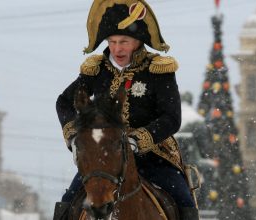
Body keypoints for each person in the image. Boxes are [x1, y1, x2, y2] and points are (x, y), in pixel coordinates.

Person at [54, 0, 199, 219]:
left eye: (124, 41)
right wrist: (75, 136)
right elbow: (64, 102)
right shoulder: (96, 70)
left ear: (138, 41)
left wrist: (137, 141)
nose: (117, 48)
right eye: (112, 42)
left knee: (183, 199)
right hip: (105, 156)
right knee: (68, 202)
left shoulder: (158, 70)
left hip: (154, 155)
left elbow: (171, 117)